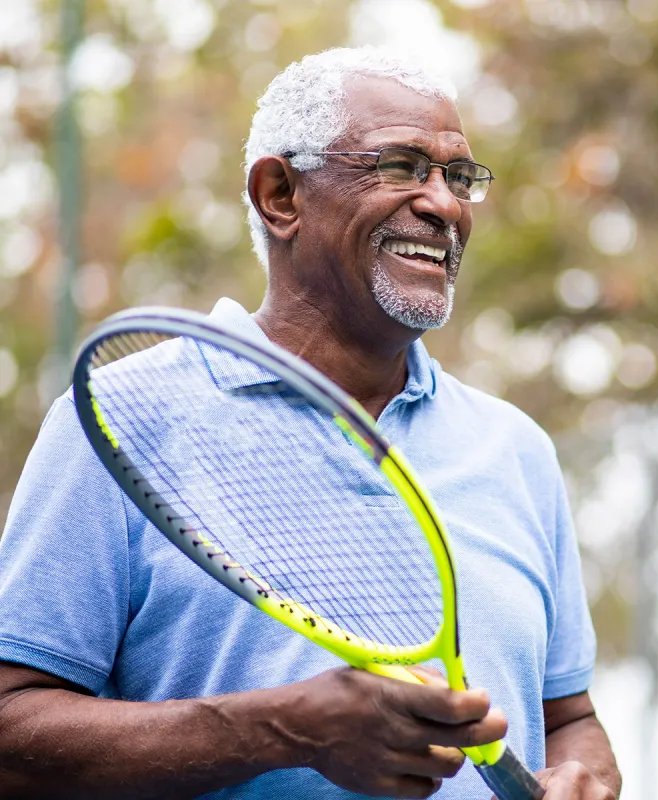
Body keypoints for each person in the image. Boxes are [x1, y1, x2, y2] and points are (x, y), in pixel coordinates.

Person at [0, 47, 620, 799]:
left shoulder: (516, 449)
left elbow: (569, 715)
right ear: (280, 194)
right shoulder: (122, 420)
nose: (445, 205)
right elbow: (12, 735)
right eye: (400, 166)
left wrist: (584, 775)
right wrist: (281, 729)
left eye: (459, 177)